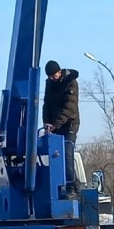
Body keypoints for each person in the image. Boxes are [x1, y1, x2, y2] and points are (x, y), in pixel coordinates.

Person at [42, 60, 81, 199]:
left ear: (59, 72)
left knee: (67, 156)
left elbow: (68, 107)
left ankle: (72, 188)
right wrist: (46, 122)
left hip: (69, 125)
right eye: (50, 77)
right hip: (55, 125)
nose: (52, 79)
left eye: (54, 75)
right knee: (56, 157)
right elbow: (46, 104)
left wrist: (55, 124)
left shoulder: (71, 82)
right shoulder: (50, 84)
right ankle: (72, 188)